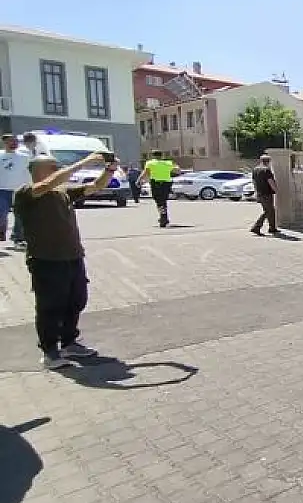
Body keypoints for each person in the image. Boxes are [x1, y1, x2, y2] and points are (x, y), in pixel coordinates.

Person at [13, 152, 114, 369]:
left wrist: (110, 170)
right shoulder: (26, 193)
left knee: (77, 300)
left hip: (73, 256)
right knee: (50, 306)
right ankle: (50, 352)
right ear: (37, 171)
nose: (57, 169)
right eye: (52, 166)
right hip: (46, 259)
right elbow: (50, 182)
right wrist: (86, 161)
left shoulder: (64, 193)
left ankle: (69, 343)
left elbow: (96, 186)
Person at [0, 134, 31, 248]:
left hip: (19, 190)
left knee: (20, 215)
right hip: (2, 190)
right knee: (1, 215)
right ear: (4, 143)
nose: (14, 143)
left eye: (16, 141)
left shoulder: (24, 157)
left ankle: (18, 238)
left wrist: (30, 186)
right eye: (11, 141)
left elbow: (28, 173)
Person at [138, 150, 177, 227]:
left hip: (156, 184)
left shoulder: (150, 163)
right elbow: (177, 170)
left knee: (159, 201)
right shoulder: (168, 163)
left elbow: (146, 172)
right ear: (161, 156)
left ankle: (163, 218)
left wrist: (139, 180)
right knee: (163, 201)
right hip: (166, 184)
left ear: (153, 156)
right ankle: (164, 217)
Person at [250, 154, 279, 236]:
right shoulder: (267, 170)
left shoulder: (255, 170)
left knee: (270, 211)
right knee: (268, 211)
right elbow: (271, 182)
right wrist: (276, 190)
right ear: (268, 162)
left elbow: (254, 182)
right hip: (267, 193)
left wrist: (256, 192)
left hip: (260, 193)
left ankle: (272, 228)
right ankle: (256, 227)